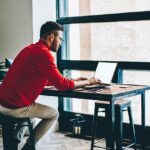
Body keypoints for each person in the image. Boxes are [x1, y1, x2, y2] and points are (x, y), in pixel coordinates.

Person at [0, 21, 100, 150]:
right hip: (15, 106)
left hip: (3, 102)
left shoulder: (30, 49)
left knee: (32, 118)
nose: (60, 43)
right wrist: (89, 82)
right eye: (60, 38)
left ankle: (14, 141)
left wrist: (73, 80)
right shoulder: (44, 53)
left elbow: (50, 80)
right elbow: (63, 85)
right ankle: (28, 147)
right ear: (51, 36)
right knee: (53, 114)